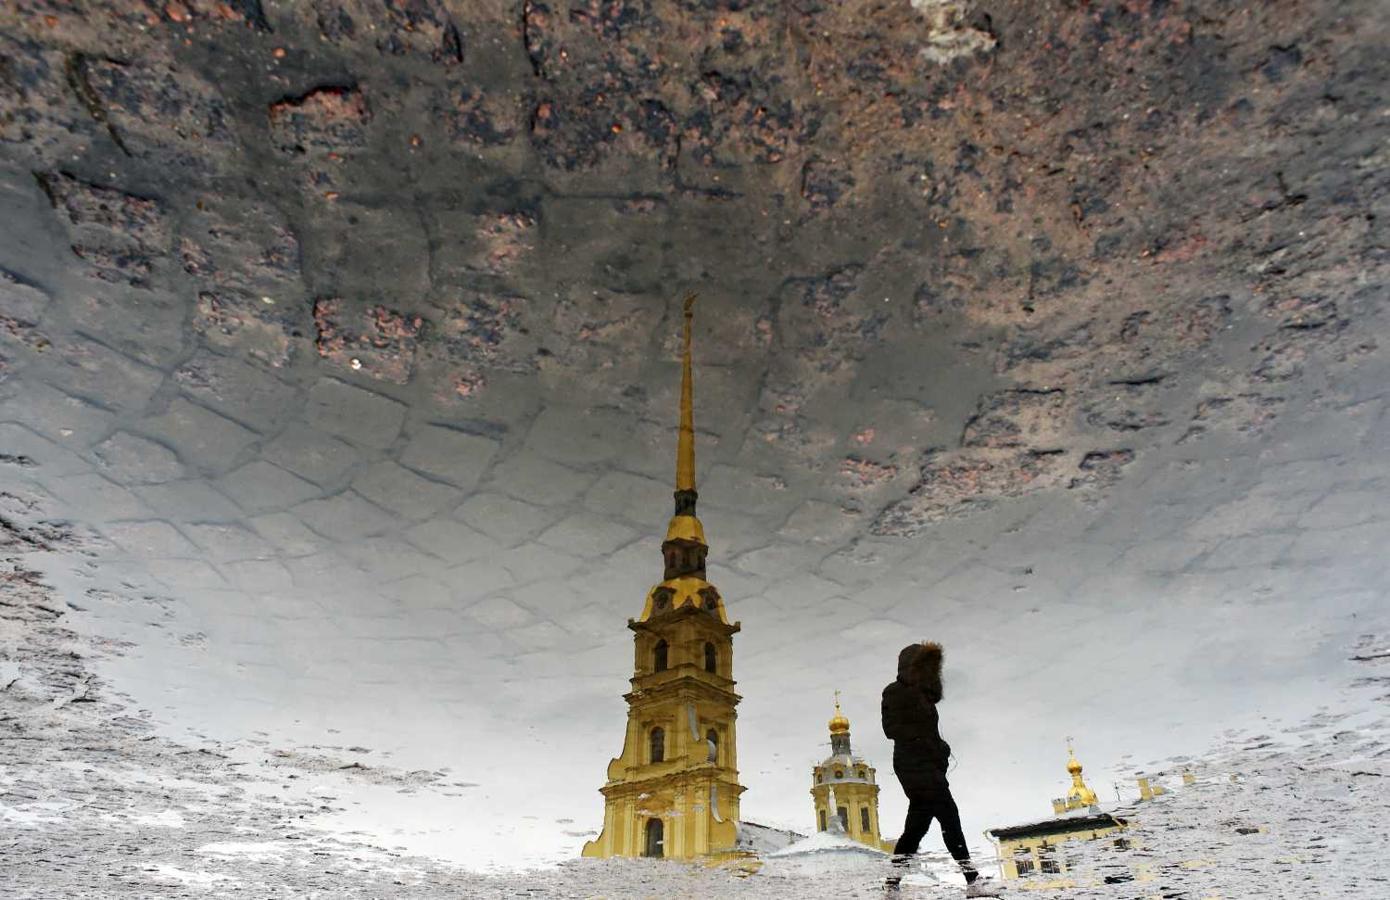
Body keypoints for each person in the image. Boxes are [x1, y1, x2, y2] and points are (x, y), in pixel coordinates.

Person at [881, 642, 1002, 896]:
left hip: (929, 765)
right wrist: (924, 743)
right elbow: (891, 729)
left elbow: (930, 731)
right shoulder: (894, 692)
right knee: (949, 816)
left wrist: (940, 748)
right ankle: (972, 880)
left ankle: (892, 885)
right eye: (923, 666)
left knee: (916, 827)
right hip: (912, 765)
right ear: (910, 667)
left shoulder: (925, 697)